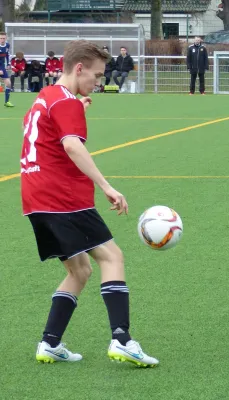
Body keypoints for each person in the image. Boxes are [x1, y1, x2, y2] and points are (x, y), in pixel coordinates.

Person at [20, 40, 158, 367]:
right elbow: (71, 146)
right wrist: (106, 186)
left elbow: (50, 135)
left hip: (35, 199)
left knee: (79, 270)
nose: (98, 82)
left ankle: (50, 342)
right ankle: (122, 339)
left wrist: (76, 108)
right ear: (78, 68)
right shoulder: (65, 102)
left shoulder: (44, 98)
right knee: (112, 257)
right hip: (63, 198)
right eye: (95, 75)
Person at [0, 31, 14, 107]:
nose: (2, 40)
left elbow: (7, 55)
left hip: (2, 66)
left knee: (8, 84)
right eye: (1, 38)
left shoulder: (7, 45)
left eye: (3, 38)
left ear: (6, 38)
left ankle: (7, 102)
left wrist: (8, 64)